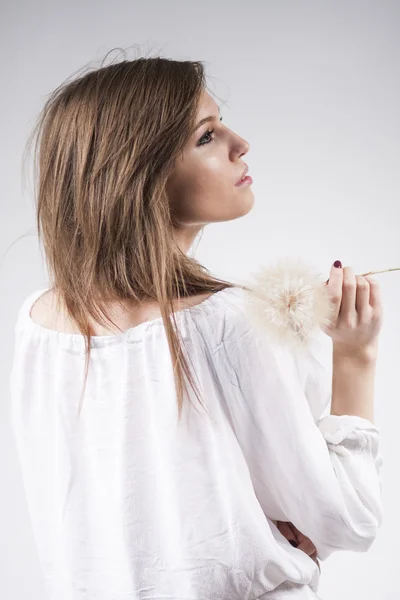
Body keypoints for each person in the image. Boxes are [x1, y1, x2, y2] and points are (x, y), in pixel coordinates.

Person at [10, 54, 384, 600]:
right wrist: (356, 359)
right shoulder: (230, 324)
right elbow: (346, 520)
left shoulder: (39, 325)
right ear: (140, 172)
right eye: (207, 136)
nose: (241, 144)